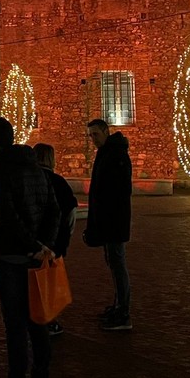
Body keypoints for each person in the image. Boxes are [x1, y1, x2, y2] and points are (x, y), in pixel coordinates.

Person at [0, 117, 59, 378]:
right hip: (34, 255)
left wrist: (33, 245)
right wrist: (44, 246)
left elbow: (8, 216)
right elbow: (53, 208)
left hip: (11, 255)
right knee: (37, 319)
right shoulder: (36, 168)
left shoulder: (1, 169)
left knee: (14, 322)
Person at [82, 119, 133, 332]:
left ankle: (123, 311)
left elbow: (114, 192)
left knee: (117, 264)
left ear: (105, 131)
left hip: (114, 221)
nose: (93, 139)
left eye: (95, 134)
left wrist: (102, 220)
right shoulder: (108, 153)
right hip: (109, 220)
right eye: (90, 135)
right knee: (113, 263)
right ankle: (118, 305)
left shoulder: (115, 155)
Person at [33, 143, 78, 336]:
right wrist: (64, 238)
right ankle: (49, 321)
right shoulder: (59, 183)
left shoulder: (30, 181)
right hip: (54, 243)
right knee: (49, 282)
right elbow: (70, 215)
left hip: (33, 242)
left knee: (32, 282)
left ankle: (33, 319)